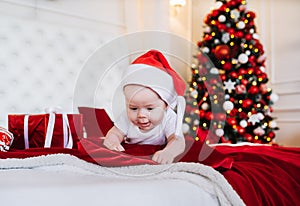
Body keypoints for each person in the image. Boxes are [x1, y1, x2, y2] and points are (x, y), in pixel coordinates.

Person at [103, 50, 186, 164]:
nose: (141, 115)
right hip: (134, 155)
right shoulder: (126, 118)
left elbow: (178, 141)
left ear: (165, 105)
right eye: (133, 108)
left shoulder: (169, 117)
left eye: (150, 108)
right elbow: (115, 133)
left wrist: (168, 152)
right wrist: (113, 142)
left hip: (157, 155)